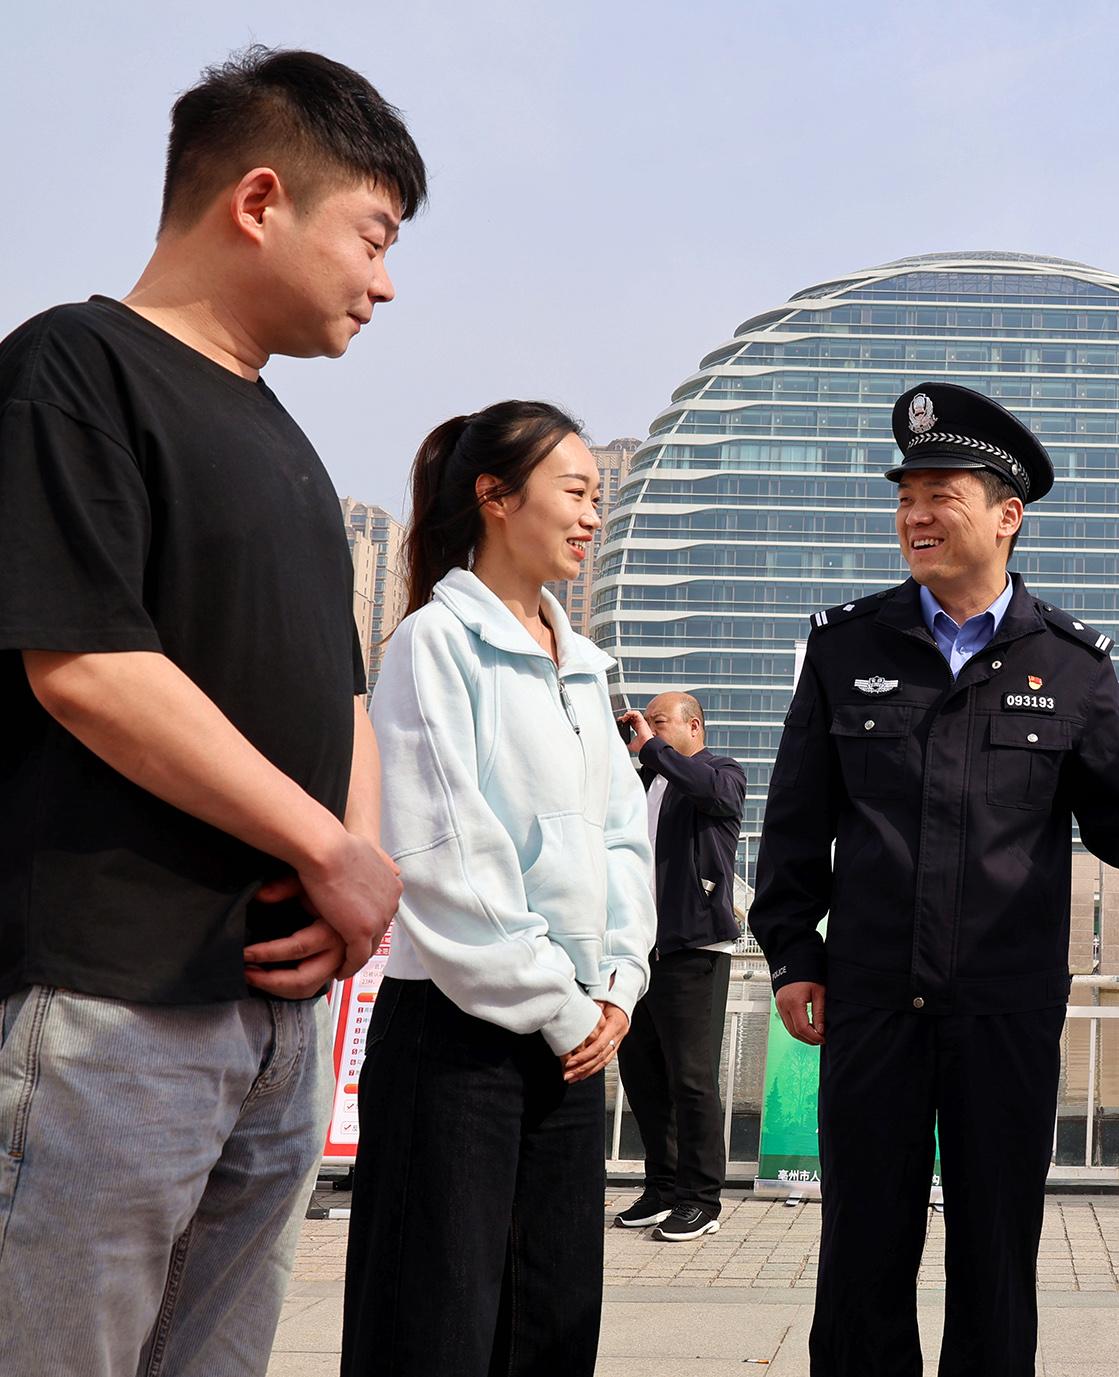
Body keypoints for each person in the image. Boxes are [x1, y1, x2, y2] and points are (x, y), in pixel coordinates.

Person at [0, 47, 421, 1376]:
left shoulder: (285, 437)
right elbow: (86, 665)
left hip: (275, 1018)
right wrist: (327, 849)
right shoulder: (74, 369)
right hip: (114, 1003)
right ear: (258, 200)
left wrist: (359, 868)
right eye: (373, 236)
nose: (385, 283)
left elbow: (342, 688)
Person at [750, 382, 1119, 1377]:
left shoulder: (1072, 666)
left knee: (997, 1254)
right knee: (862, 1254)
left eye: (941, 495)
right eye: (905, 497)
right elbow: (795, 827)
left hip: (1004, 1011)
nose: (916, 516)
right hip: (872, 1003)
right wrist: (795, 953)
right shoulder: (846, 648)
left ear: (1007, 514)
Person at [340, 402, 657, 1376]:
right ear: (496, 497)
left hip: (572, 1037)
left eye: (597, 496)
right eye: (575, 491)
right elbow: (446, 856)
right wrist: (565, 1006)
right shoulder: (434, 643)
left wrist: (619, 982)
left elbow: (622, 838)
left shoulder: (582, 664)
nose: (592, 515)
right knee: (434, 1332)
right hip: (456, 1040)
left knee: (551, 1328)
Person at [614, 692, 747, 1241]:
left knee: (691, 1079)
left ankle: (701, 1199)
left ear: (694, 726)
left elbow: (714, 795)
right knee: (642, 1075)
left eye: (660, 721)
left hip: (694, 948)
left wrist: (652, 749)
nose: (648, 729)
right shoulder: (644, 782)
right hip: (637, 950)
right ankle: (663, 1187)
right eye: (644, 722)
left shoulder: (721, 772)